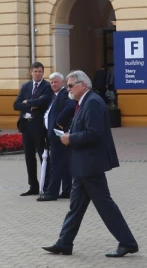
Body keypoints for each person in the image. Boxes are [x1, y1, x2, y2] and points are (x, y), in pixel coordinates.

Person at [43, 70, 138, 258]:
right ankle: (65, 243)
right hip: (82, 164)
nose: (68, 89)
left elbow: (94, 134)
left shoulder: (92, 102)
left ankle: (128, 242)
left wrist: (71, 138)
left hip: (90, 164)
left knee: (104, 205)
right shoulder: (83, 102)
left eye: (70, 86)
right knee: (76, 207)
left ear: (83, 85)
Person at [13, 62, 53, 196]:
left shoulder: (47, 86)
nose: (38, 74)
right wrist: (31, 105)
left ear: (43, 72)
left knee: (44, 156)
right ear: (31, 72)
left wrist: (27, 102)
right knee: (29, 157)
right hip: (26, 126)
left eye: (40, 71)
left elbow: (44, 101)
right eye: (35, 71)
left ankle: (46, 185)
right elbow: (16, 105)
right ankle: (33, 186)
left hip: (39, 127)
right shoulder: (26, 86)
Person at [39, 72, 76, 201]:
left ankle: (51, 193)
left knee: (55, 164)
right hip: (54, 135)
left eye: (56, 82)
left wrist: (59, 121)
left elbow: (71, 106)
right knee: (64, 163)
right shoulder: (55, 96)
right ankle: (67, 190)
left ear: (62, 83)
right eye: (52, 82)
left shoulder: (64, 94)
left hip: (58, 135)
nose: (53, 84)